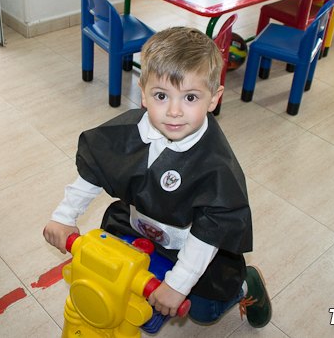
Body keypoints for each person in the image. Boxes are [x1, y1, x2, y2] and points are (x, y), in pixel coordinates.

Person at [43, 27, 272, 328]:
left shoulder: (217, 166)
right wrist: (64, 215)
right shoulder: (128, 132)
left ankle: (245, 284)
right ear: (143, 93)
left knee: (204, 312)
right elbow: (96, 169)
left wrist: (178, 284)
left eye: (190, 97)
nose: (174, 111)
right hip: (138, 224)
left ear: (214, 99)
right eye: (162, 96)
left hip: (196, 246)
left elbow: (212, 229)